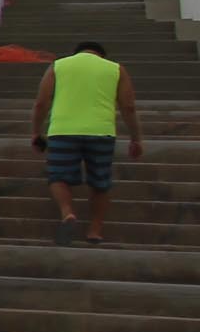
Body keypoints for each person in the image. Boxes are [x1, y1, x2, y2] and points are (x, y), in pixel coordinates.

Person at [33, 38, 145, 245]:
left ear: (77, 53)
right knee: (100, 182)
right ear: (101, 55)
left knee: (58, 176)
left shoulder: (59, 66)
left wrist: (36, 132)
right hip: (101, 133)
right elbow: (128, 107)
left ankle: (67, 213)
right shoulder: (116, 69)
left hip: (63, 131)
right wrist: (135, 138)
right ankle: (95, 230)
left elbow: (41, 103)